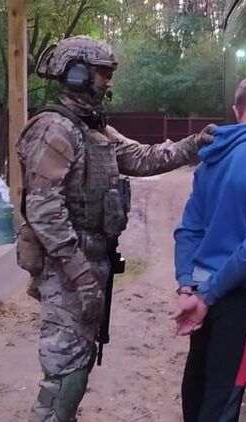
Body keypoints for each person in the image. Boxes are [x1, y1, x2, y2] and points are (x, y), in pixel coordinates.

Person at [15, 35, 214, 422]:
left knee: (78, 362)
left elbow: (142, 157)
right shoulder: (55, 130)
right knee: (63, 374)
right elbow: (44, 211)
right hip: (67, 269)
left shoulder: (92, 129)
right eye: (103, 73)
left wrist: (194, 144)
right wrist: (81, 275)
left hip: (89, 264)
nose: (108, 82)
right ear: (76, 74)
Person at [173, 76, 246, 422]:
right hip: (238, 296)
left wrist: (187, 287)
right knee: (223, 395)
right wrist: (208, 297)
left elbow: (188, 230)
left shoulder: (212, 157)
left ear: (237, 111)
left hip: (199, 288)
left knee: (197, 383)